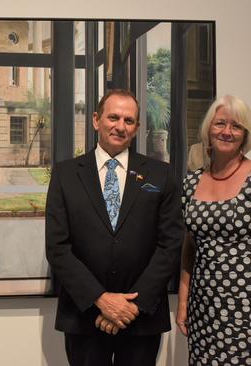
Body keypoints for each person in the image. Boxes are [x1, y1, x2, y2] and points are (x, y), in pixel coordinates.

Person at [45, 89, 184, 366]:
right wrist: (101, 299)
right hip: (85, 315)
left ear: (137, 127)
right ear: (96, 120)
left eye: (129, 120)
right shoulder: (65, 174)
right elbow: (57, 247)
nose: (120, 126)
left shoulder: (161, 174)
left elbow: (170, 244)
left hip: (141, 316)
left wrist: (132, 305)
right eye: (113, 117)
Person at [177, 95, 251, 365]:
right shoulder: (191, 183)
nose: (227, 132)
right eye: (220, 123)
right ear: (209, 128)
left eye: (237, 126)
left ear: (246, 135)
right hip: (203, 312)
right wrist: (183, 302)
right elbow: (190, 247)